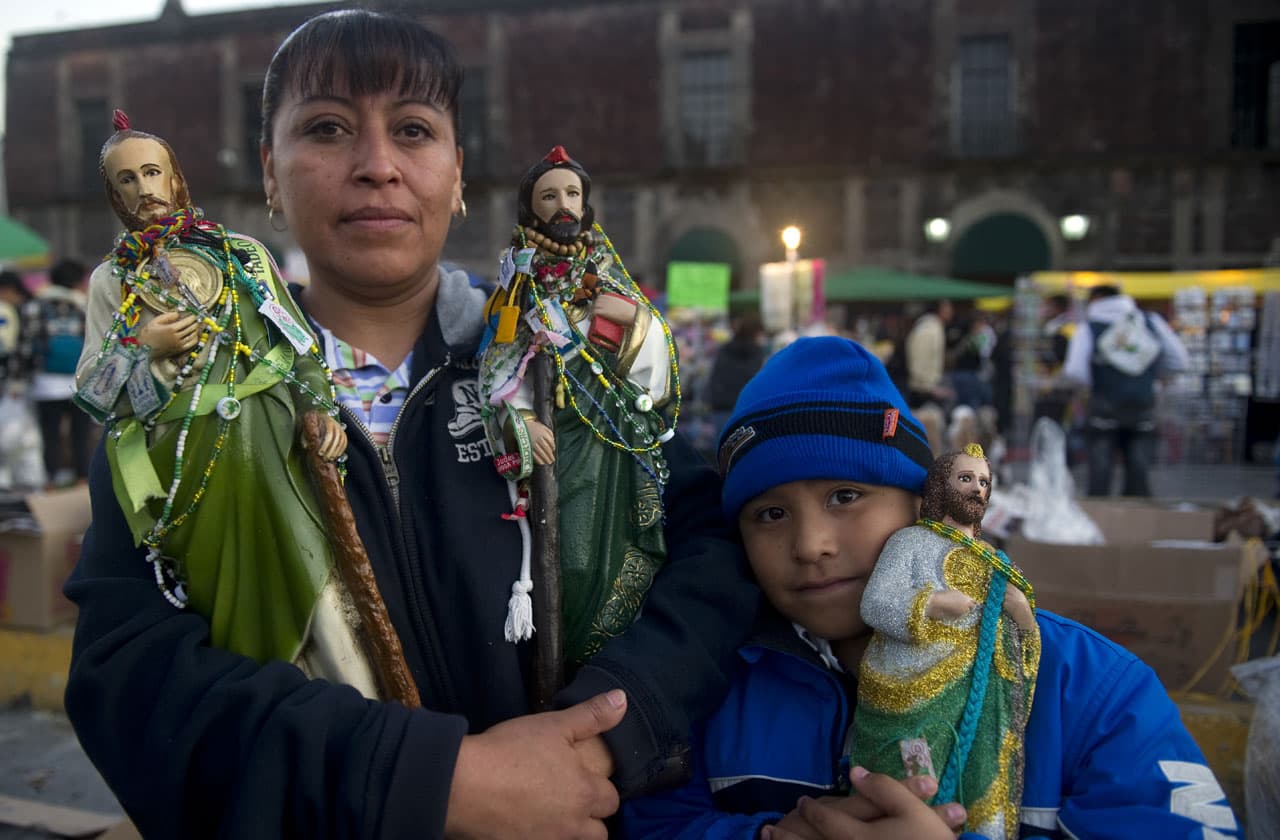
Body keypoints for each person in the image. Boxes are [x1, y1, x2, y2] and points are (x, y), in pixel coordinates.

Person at [63, 9, 756, 840]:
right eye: (327, 128)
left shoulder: (556, 362)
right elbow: (130, 676)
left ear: (457, 172)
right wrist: (433, 782)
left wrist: (605, 731)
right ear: (271, 172)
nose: (377, 166)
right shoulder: (189, 401)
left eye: (414, 130)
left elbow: (711, 552)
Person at [623, 336, 1239, 840]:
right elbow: (650, 824)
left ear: (924, 506)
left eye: (846, 496)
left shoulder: (1090, 690)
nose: (810, 545)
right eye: (771, 514)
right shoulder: (705, 684)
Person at [72, 111, 391, 696]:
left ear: (175, 178)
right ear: (113, 194)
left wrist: (318, 407)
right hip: (187, 469)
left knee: (316, 580)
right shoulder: (110, 281)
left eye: (152, 173)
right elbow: (92, 390)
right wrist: (144, 345)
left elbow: (298, 344)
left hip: (273, 448)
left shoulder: (240, 254)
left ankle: (361, 707)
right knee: (224, 607)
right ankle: (272, 713)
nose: (144, 190)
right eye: (127, 180)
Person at [478, 145, 676, 663]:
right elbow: (499, 361)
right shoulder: (519, 284)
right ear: (532, 208)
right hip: (560, 442)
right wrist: (520, 418)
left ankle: (609, 661)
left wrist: (635, 320)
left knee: (618, 552)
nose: (563, 204)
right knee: (571, 558)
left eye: (572, 193)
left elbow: (656, 358)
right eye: (549, 196)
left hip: (615, 446)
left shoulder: (605, 273)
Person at [851, 444, 1037, 840]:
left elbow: (1021, 641)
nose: (977, 489)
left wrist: (1022, 613)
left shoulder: (995, 560)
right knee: (911, 786)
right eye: (966, 478)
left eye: (984, 482)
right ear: (940, 485)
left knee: (982, 783)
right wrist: (934, 603)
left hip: (982, 702)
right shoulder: (910, 542)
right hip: (911, 698)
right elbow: (875, 603)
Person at [1062, 284, 1188, 497]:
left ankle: (1101, 514)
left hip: (1103, 407)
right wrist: (1149, 377)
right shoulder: (1150, 321)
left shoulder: (1089, 328)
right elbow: (1179, 361)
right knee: (1139, 470)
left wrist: (1096, 383)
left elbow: (1074, 370)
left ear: (1096, 299)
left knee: (1100, 472)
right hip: (1143, 405)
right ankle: (1137, 513)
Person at [27, 257, 91, 484]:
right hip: (79, 380)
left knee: (50, 433)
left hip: (46, 382)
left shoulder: (36, 305)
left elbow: (27, 342)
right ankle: (83, 477)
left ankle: (51, 478)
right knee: (81, 434)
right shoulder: (83, 304)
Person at [706, 313, 767, 433]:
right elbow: (754, 379)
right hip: (744, 407)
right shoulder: (756, 352)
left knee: (722, 441)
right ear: (757, 332)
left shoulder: (726, 348)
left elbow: (715, 376)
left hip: (720, 405)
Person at [904, 299, 953, 410]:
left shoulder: (934, 327)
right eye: (949, 308)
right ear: (940, 310)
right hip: (923, 391)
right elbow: (918, 361)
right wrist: (930, 388)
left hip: (930, 388)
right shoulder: (927, 329)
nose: (951, 312)